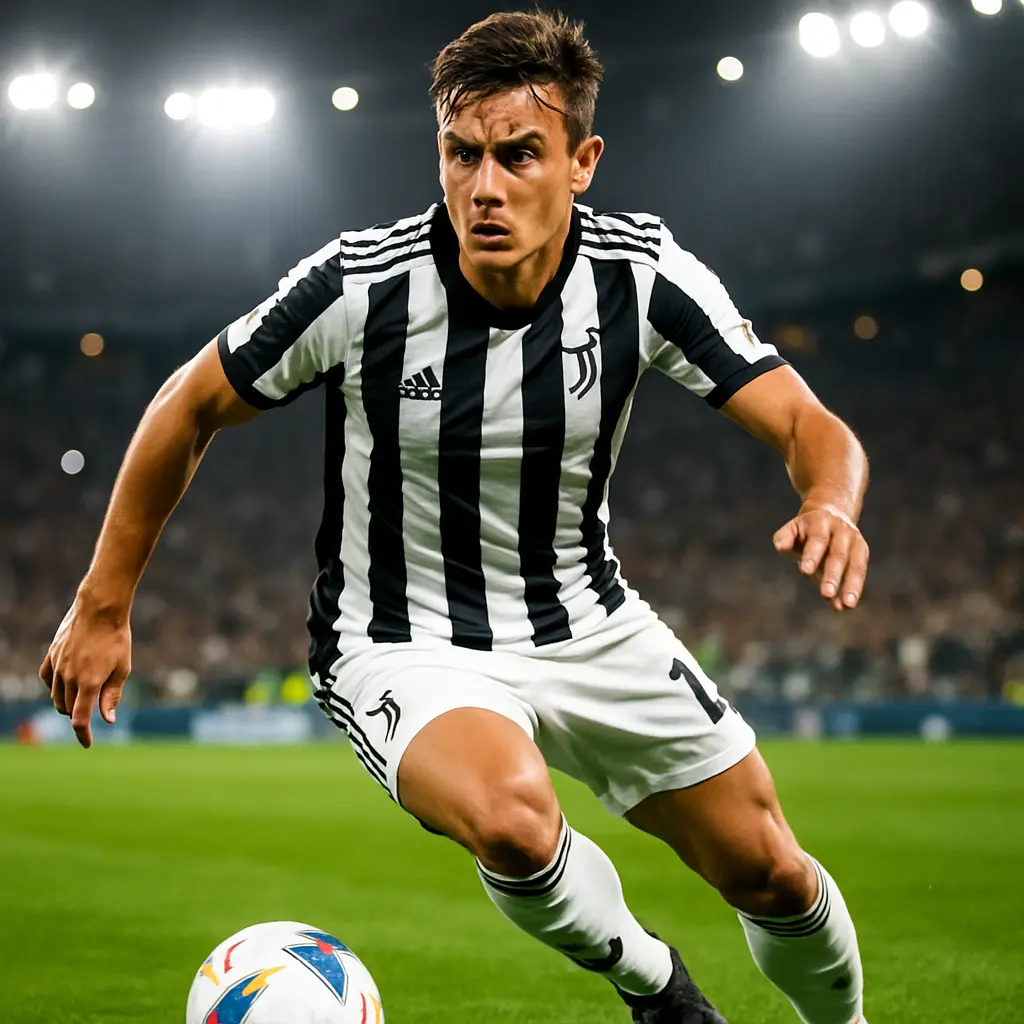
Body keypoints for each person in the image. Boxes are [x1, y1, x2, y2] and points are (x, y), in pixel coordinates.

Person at [40, 10, 871, 1023]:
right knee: (515, 821)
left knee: (771, 870)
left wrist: (829, 498)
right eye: (461, 153)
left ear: (582, 163)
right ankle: (658, 985)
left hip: (588, 620)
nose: (484, 186)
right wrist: (103, 601)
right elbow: (190, 401)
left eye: (519, 154)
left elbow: (807, 421)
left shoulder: (639, 273)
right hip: (401, 637)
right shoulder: (362, 285)